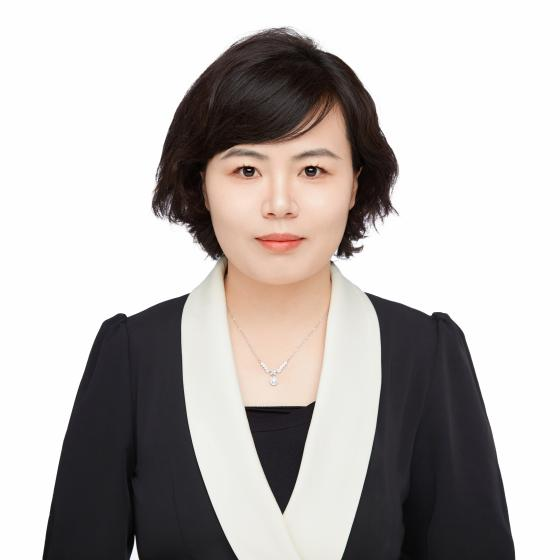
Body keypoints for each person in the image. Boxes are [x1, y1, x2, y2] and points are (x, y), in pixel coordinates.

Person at [42, 26, 515, 559]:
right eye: (246, 170)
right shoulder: (134, 356)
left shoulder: (422, 354)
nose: (280, 203)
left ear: (355, 183)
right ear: (202, 183)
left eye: (312, 170)